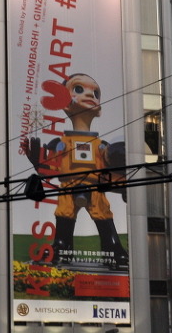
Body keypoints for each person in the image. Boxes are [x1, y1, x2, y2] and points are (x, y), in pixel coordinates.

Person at [24, 73, 129, 270]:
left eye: (95, 93)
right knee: (64, 212)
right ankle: (62, 248)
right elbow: (50, 170)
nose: (90, 94)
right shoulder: (61, 144)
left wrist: (123, 186)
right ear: (64, 103)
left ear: (99, 109)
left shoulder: (102, 147)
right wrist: (38, 162)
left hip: (95, 188)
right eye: (79, 89)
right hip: (68, 187)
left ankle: (113, 249)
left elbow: (111, 171)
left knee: (103, 213)